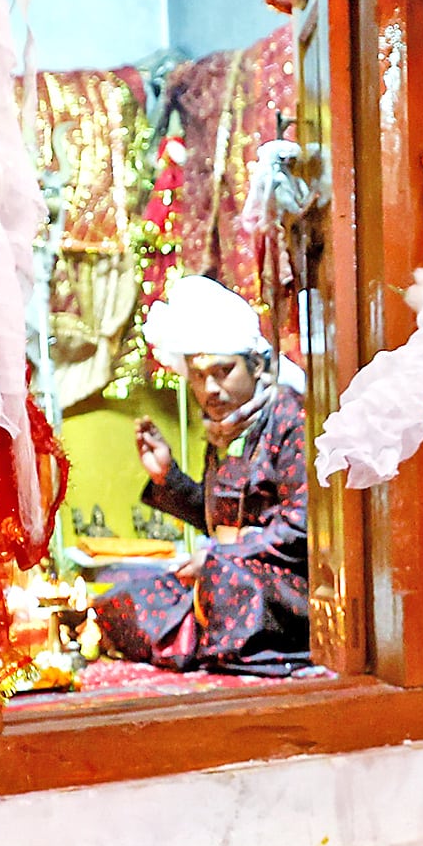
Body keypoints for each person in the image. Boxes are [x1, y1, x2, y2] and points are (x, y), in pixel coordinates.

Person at [90, 274, 311, 675]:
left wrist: (221, 556)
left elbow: (302, 527)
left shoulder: (290, 418)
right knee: (121, 595)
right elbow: (220, 519)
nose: (210, 388)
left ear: (257, 366)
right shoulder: (225, 429)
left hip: (285, 585)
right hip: (227, 572)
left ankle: (205, 640)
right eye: (197, 375)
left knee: (222, 580)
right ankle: (205, 641)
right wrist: (166, 478)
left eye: (223, 371)